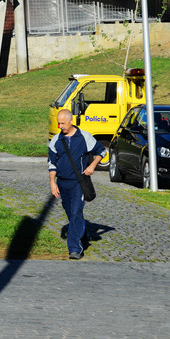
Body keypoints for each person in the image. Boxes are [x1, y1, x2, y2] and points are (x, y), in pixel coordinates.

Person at [48, 109, 106, 260]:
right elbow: (51, 163)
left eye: (62, 123)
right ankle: (84, 233)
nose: (60, 126)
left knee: (75, 213)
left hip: (78, 183)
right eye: (58, 123)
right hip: (62, 183)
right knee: (71, 214)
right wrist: (52, 183)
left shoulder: (84, 137)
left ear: (71, 120)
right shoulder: (56, 140)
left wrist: (92, 165)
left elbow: (102, 151)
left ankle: (75, 248)